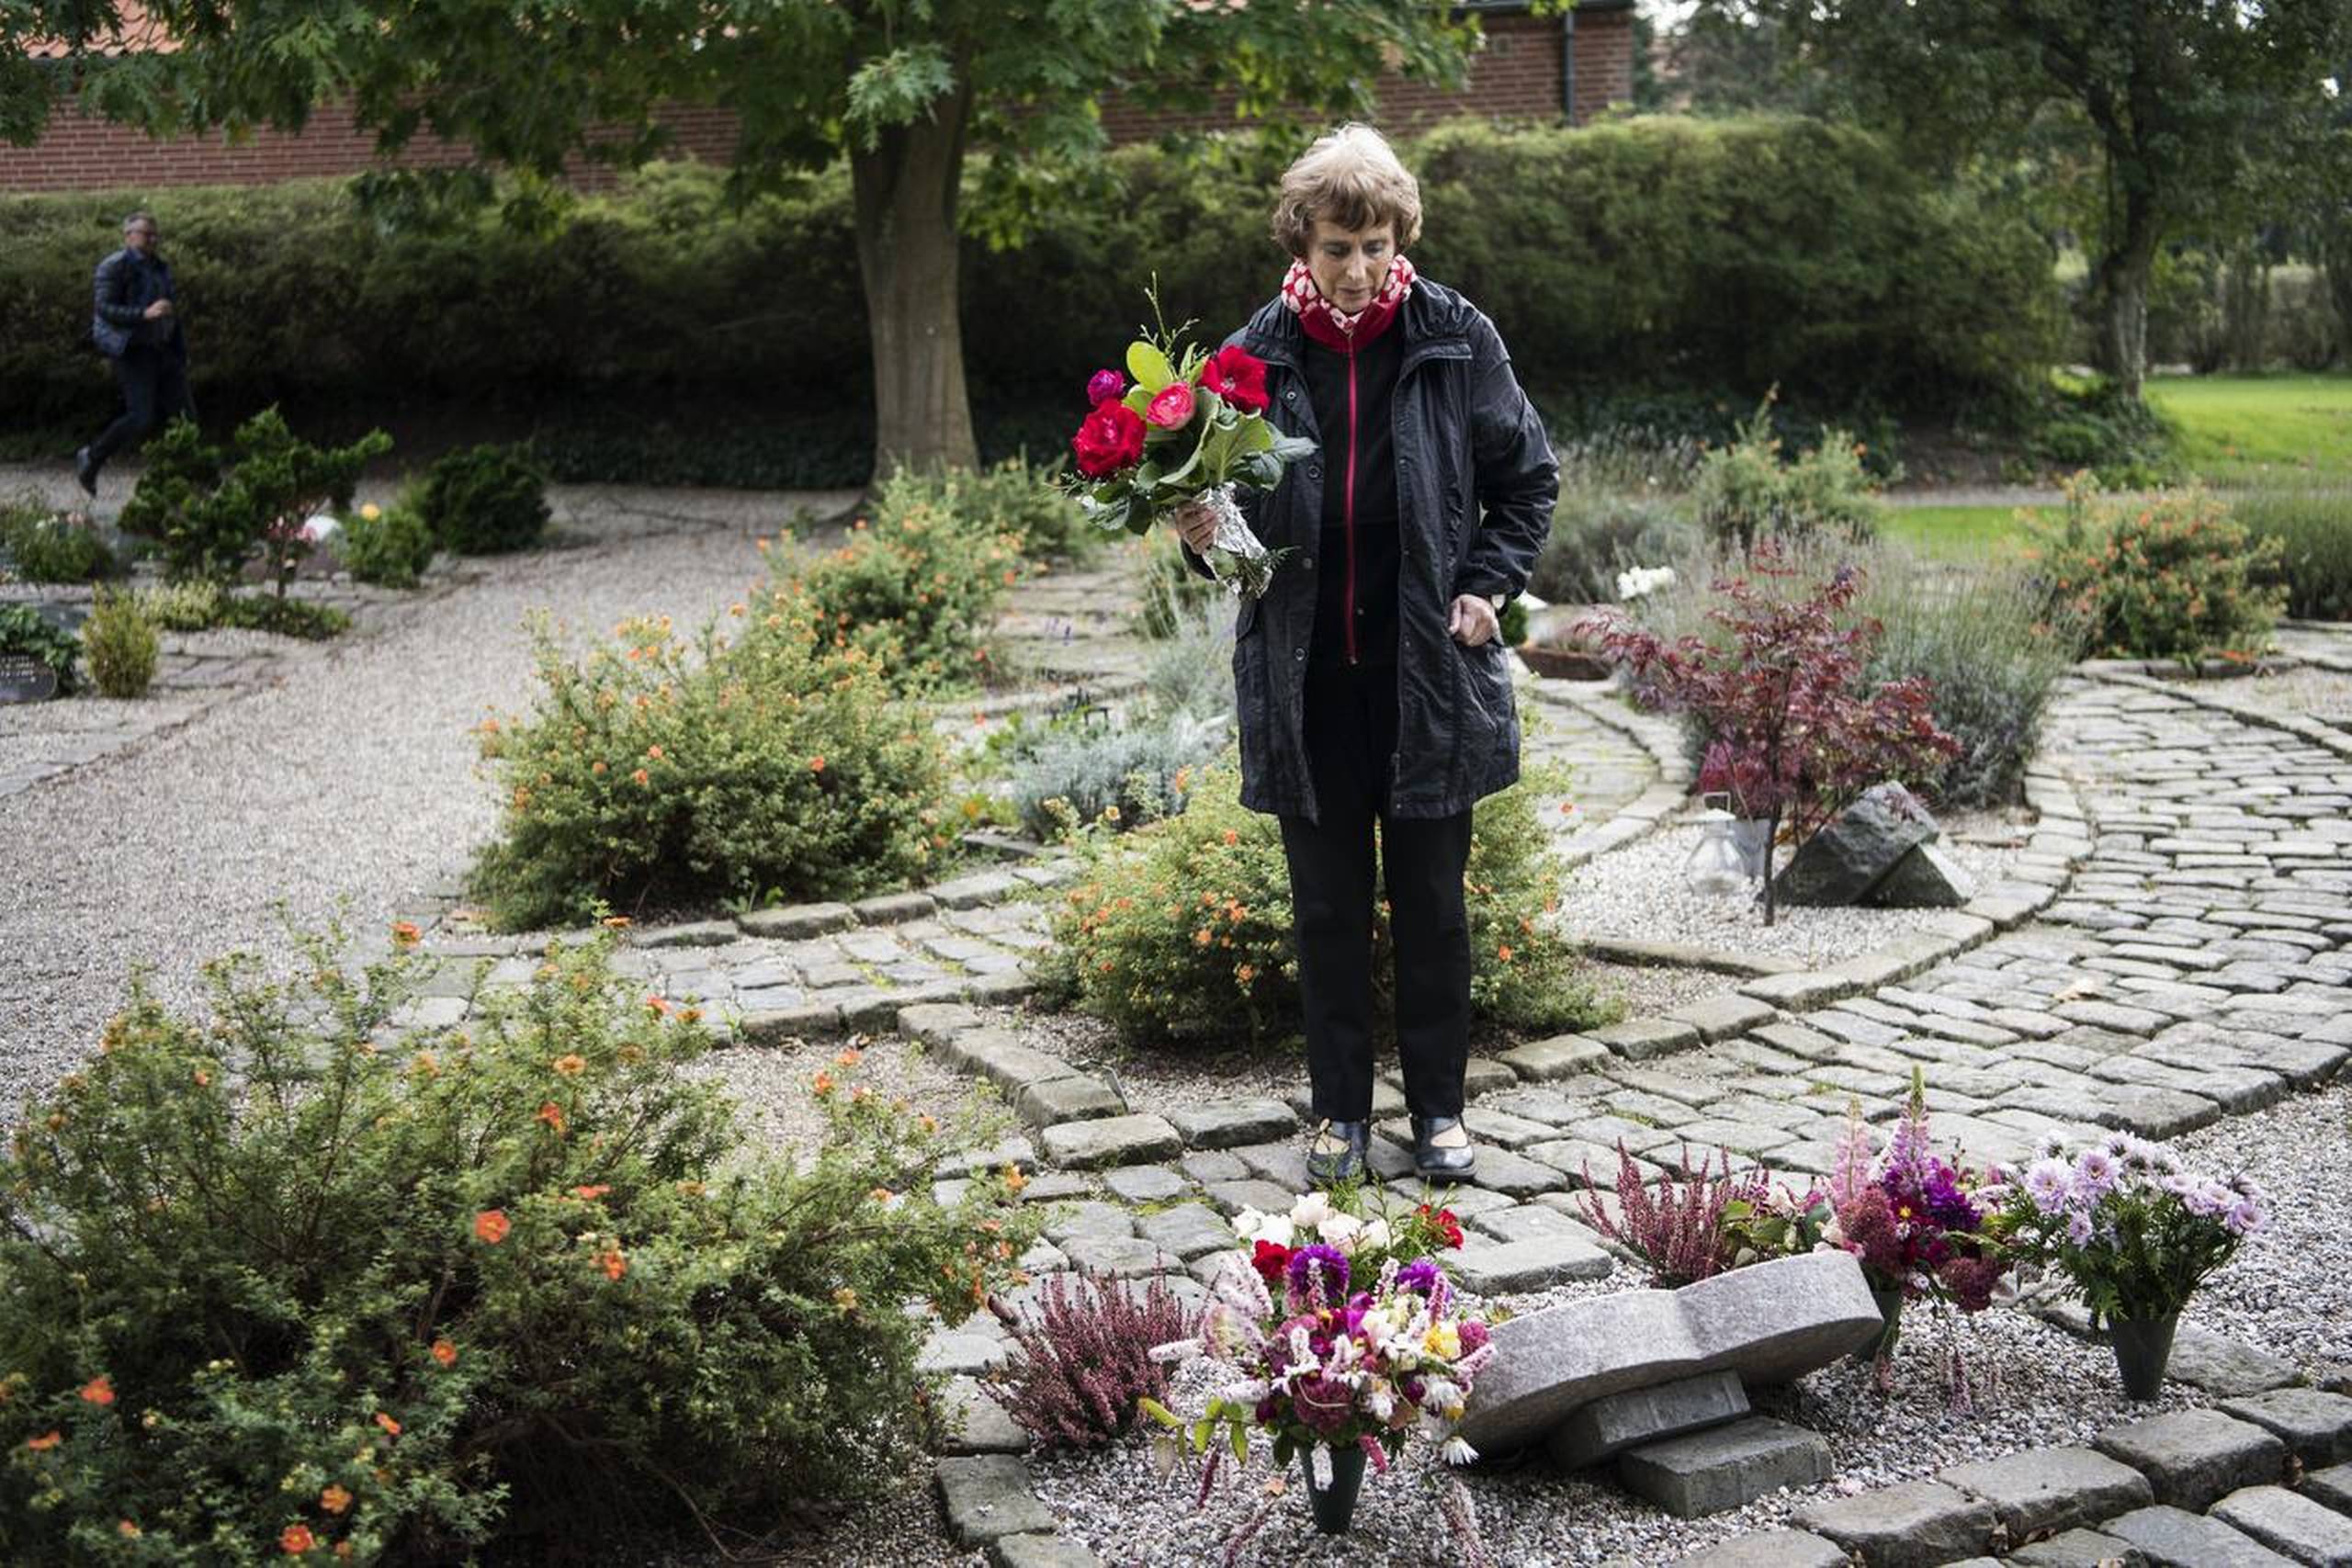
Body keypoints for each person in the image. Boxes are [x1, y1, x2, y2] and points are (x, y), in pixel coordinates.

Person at [1174, 124, 1556, 1187]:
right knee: (1330, 910)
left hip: (1427, 673)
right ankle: (1339, 1117)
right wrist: (1202, 533)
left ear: (1401, 239)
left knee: (1433, 908)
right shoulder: (1253, 357)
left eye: (1375, 244)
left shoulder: (1453, 335)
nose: (1357, 269)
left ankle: (1440, 1114)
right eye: (1338, 246)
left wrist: (1486, 586)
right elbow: (1232, 528)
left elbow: (1526, 479)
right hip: (1308, 679)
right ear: (1303, 242)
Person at [75, 211, 193, 497]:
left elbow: (170, 311)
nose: (151, 238)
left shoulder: (160, 267)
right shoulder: (114, 266)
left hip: (163, 350)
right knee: (141, 417)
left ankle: (193, 477)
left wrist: (179, 348)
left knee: (187, 418)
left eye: (154, 233)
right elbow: (105, 309)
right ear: (128, 236)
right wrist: (143, 313)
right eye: (144, 233)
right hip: (132, 350)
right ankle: (92, 457)